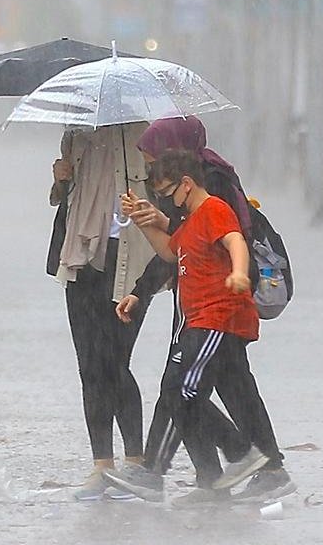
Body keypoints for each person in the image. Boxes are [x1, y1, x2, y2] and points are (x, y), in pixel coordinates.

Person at [101, 116, 290, 503]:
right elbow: (176, 248)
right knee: (228, 389)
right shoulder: (191, 197)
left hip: (217, 307)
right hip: (205, 305)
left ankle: (192, 466)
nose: (152, 167)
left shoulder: (211, 189)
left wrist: (238, 272)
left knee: (181, 389)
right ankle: (232, 475)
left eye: (156, 160)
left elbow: (228, 237)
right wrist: (147, 228)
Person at [48, 122, 157, 501]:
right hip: (80, 258)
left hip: (131, 259)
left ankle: (136, 462)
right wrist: (60, 179)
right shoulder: (75, 132)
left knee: (115, 362)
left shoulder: (144, 135)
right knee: (89, 365)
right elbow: (65, 198)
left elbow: (167, 196)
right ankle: (102, 465)